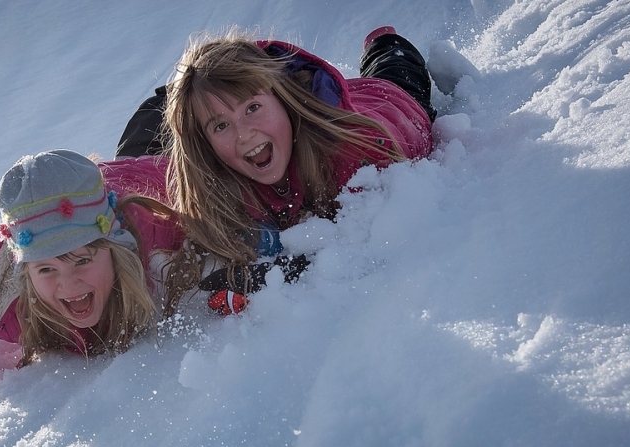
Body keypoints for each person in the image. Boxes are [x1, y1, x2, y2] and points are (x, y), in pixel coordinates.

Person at [137, 27, 436, 315]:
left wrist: (284, 271)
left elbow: (363, 241)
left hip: (391, 102)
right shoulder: (220, 178)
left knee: (395, 66)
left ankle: (383, 41)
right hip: (338, 106)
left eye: (252, 108)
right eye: (221, 125)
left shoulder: (352, 153)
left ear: (282, 97)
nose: (243, 134)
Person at [0, 150, 183, 365]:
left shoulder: (152, 230)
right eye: (46, 269)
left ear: (114, 249)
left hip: (140, 175)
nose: (68, 284)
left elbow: (189, 183)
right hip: (57, 214)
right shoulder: (2, 305)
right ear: (26, 273)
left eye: (82, 260)